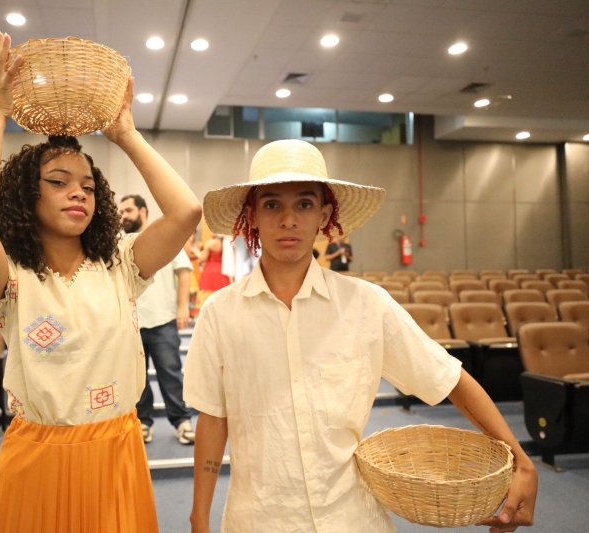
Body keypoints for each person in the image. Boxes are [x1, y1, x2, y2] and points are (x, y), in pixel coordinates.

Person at [185, 139, 538, 533]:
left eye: (304, 204)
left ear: (324, 215)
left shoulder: (366, 304)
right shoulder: (220, 313)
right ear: (251, 216)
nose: (288, 219)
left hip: (351, 516)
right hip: (259, 519)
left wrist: (521, 462)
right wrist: (199, 517)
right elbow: (213, 419)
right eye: (271, 205)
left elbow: (447, 377)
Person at [0, 32, 201, 533]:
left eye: (88, 185)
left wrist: (126, 135)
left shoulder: (120, 264)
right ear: (28, 194)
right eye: (59, 182)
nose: (78, 193)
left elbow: (187, 211)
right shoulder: (11, 276)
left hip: (116, 450)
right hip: (36, 456)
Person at [119, 194, 196, 445]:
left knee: (170, 374)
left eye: (128, 210)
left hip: (163, 320)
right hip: (130, 324)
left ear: (143, 211)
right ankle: (143, 422)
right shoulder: (119, 243)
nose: (123, 215)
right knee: (137, 379)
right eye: (122, 211)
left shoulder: (163, 237)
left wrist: (183, 308)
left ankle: (182, 422)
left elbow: (184, 271)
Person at [196, 234, 230, 310]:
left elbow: (204, 258)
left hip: (209, 271)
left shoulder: (210, 242)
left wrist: (197, 253)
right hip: (222, 271)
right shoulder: (225, 242)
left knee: (206, 297)